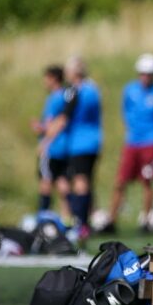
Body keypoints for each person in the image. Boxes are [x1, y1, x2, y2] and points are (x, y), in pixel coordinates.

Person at [105, 53, 153, 233]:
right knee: (121, 180)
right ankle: (111, 219)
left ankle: (145, 219)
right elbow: (125, 110)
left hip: (152, 142)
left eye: (149, 73)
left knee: (148, 181)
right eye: (142, 73)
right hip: (132, 142)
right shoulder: (130, 90)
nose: (145, 77)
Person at [40, 56, 103, 242]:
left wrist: (47, 138)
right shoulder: (94, 89)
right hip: (93, 141)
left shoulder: (76, 91)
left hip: (79, 142)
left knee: (80, 181)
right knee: (86, 181)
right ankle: (85, 221)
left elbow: (64, 118)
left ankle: (81, 224)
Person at [32, 64, 72, 223]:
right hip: (64, 146)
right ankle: (68, 217)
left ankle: (43, 217)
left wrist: (43, 137)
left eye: (46, 78)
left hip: (52, 147)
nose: (44, 82)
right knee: (62, 180)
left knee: (45, 181)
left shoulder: (54, 98)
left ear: (53, 78)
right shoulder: (65, 96)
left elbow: (52, 125)